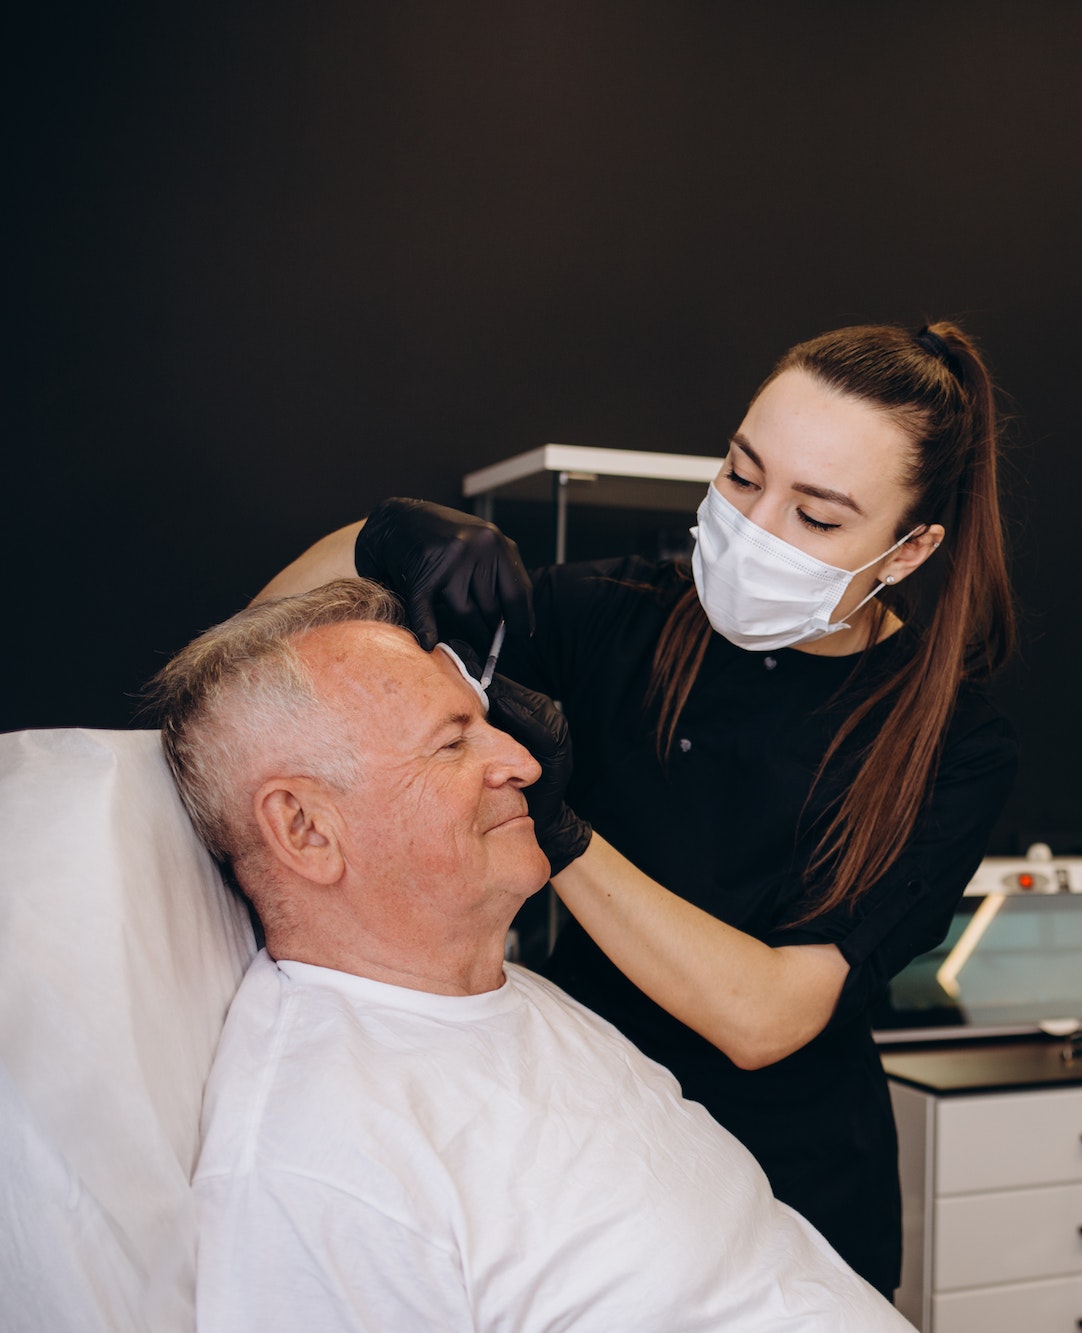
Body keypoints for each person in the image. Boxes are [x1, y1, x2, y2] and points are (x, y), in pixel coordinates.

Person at [256, 321, 1018, 1293]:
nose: (755, 526)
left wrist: (561, 829)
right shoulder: (611, 615)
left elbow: (765, 1015)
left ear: (907, 550)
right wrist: (375, 544)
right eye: (743, 476)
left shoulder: (950, 742)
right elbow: (260, 655)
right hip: (587, 1140)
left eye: (817, 517)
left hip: (798, 1193)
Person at [147, 579, 910, 1331]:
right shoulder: (321, 1166)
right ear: (307, 830)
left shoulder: (519, 1002)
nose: (524, 760)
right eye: (452, 742)